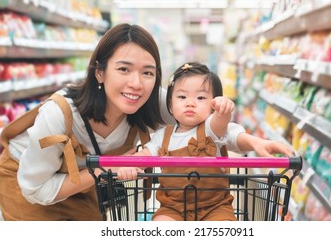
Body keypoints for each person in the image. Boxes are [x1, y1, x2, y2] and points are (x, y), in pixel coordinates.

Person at [0, 23, 175, 221]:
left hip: (84, 182)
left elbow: (198, 118)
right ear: (99, 72)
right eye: (124, 69)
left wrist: (215, 110)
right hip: (28, 181)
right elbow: (35, 189)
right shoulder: (59, 113)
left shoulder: (152, 99)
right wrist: (105, 168)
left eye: (147, 72)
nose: (136, 83)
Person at [117, 62, 295, 221]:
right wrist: (129, 165)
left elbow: (222, 124)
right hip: (172, 207)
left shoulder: (210, 128)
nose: (190, 103)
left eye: (201, 98)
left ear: (213, 104)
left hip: (215, 208)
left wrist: (223, 112)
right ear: (170, 105)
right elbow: (144, 155)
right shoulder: (162, 136)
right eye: (182, 97)